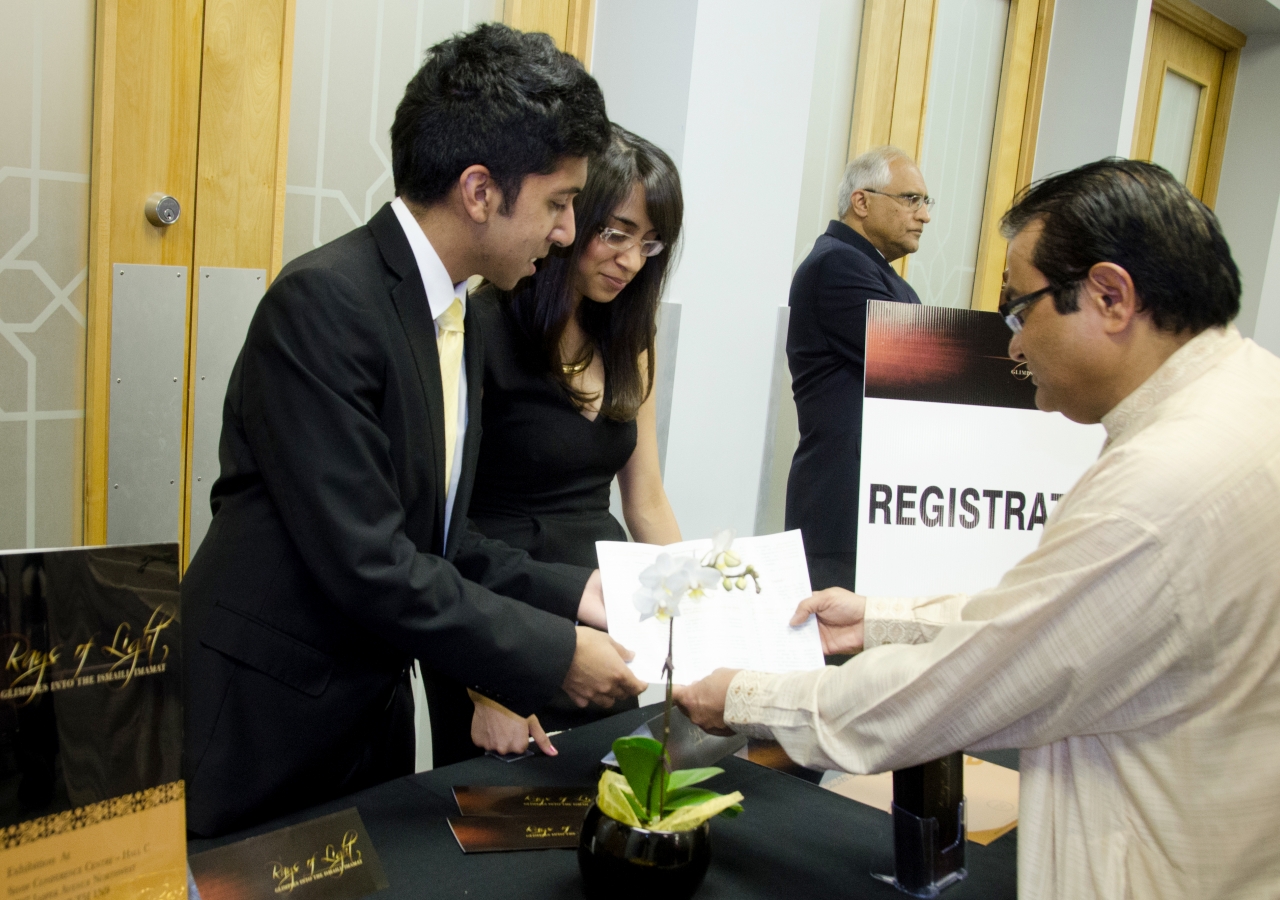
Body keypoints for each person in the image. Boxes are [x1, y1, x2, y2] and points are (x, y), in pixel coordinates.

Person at [675, 159, 1280, 899]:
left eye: (1020, 311)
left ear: (1111, 296)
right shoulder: (1249, 397)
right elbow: (1047, 620)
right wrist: (878, 619)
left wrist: (747, 697)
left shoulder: (1163, 484)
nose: (1014, 347)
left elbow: (962, 686)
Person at [181, 24, 646, 837]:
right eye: (560, 203)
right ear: (479, 191)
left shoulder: (453, 311)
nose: (567, 234)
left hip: (365, 713)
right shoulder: (324, 304)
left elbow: (439, 539)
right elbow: (371, 561)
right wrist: (557, 656)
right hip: (267, 722)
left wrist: (585, 595)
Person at [454, 126, 684, 758]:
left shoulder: (631, 338)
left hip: (606, 613)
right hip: (501, 620)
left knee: (609, 795)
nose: (632, 261)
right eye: (615, 234)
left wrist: (699, 620)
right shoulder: (481, 326)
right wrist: (488, 686)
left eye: (649, 243)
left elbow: (648, 503)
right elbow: (444, 528)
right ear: (567, 217)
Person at [786, 146, 931, 591]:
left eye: (926, 203)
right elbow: (918, 361)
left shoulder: (870, 269)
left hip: (868, 505)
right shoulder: (838, 263)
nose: (924, 215)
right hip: (842, 509)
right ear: (862, 202)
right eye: (910, 199)